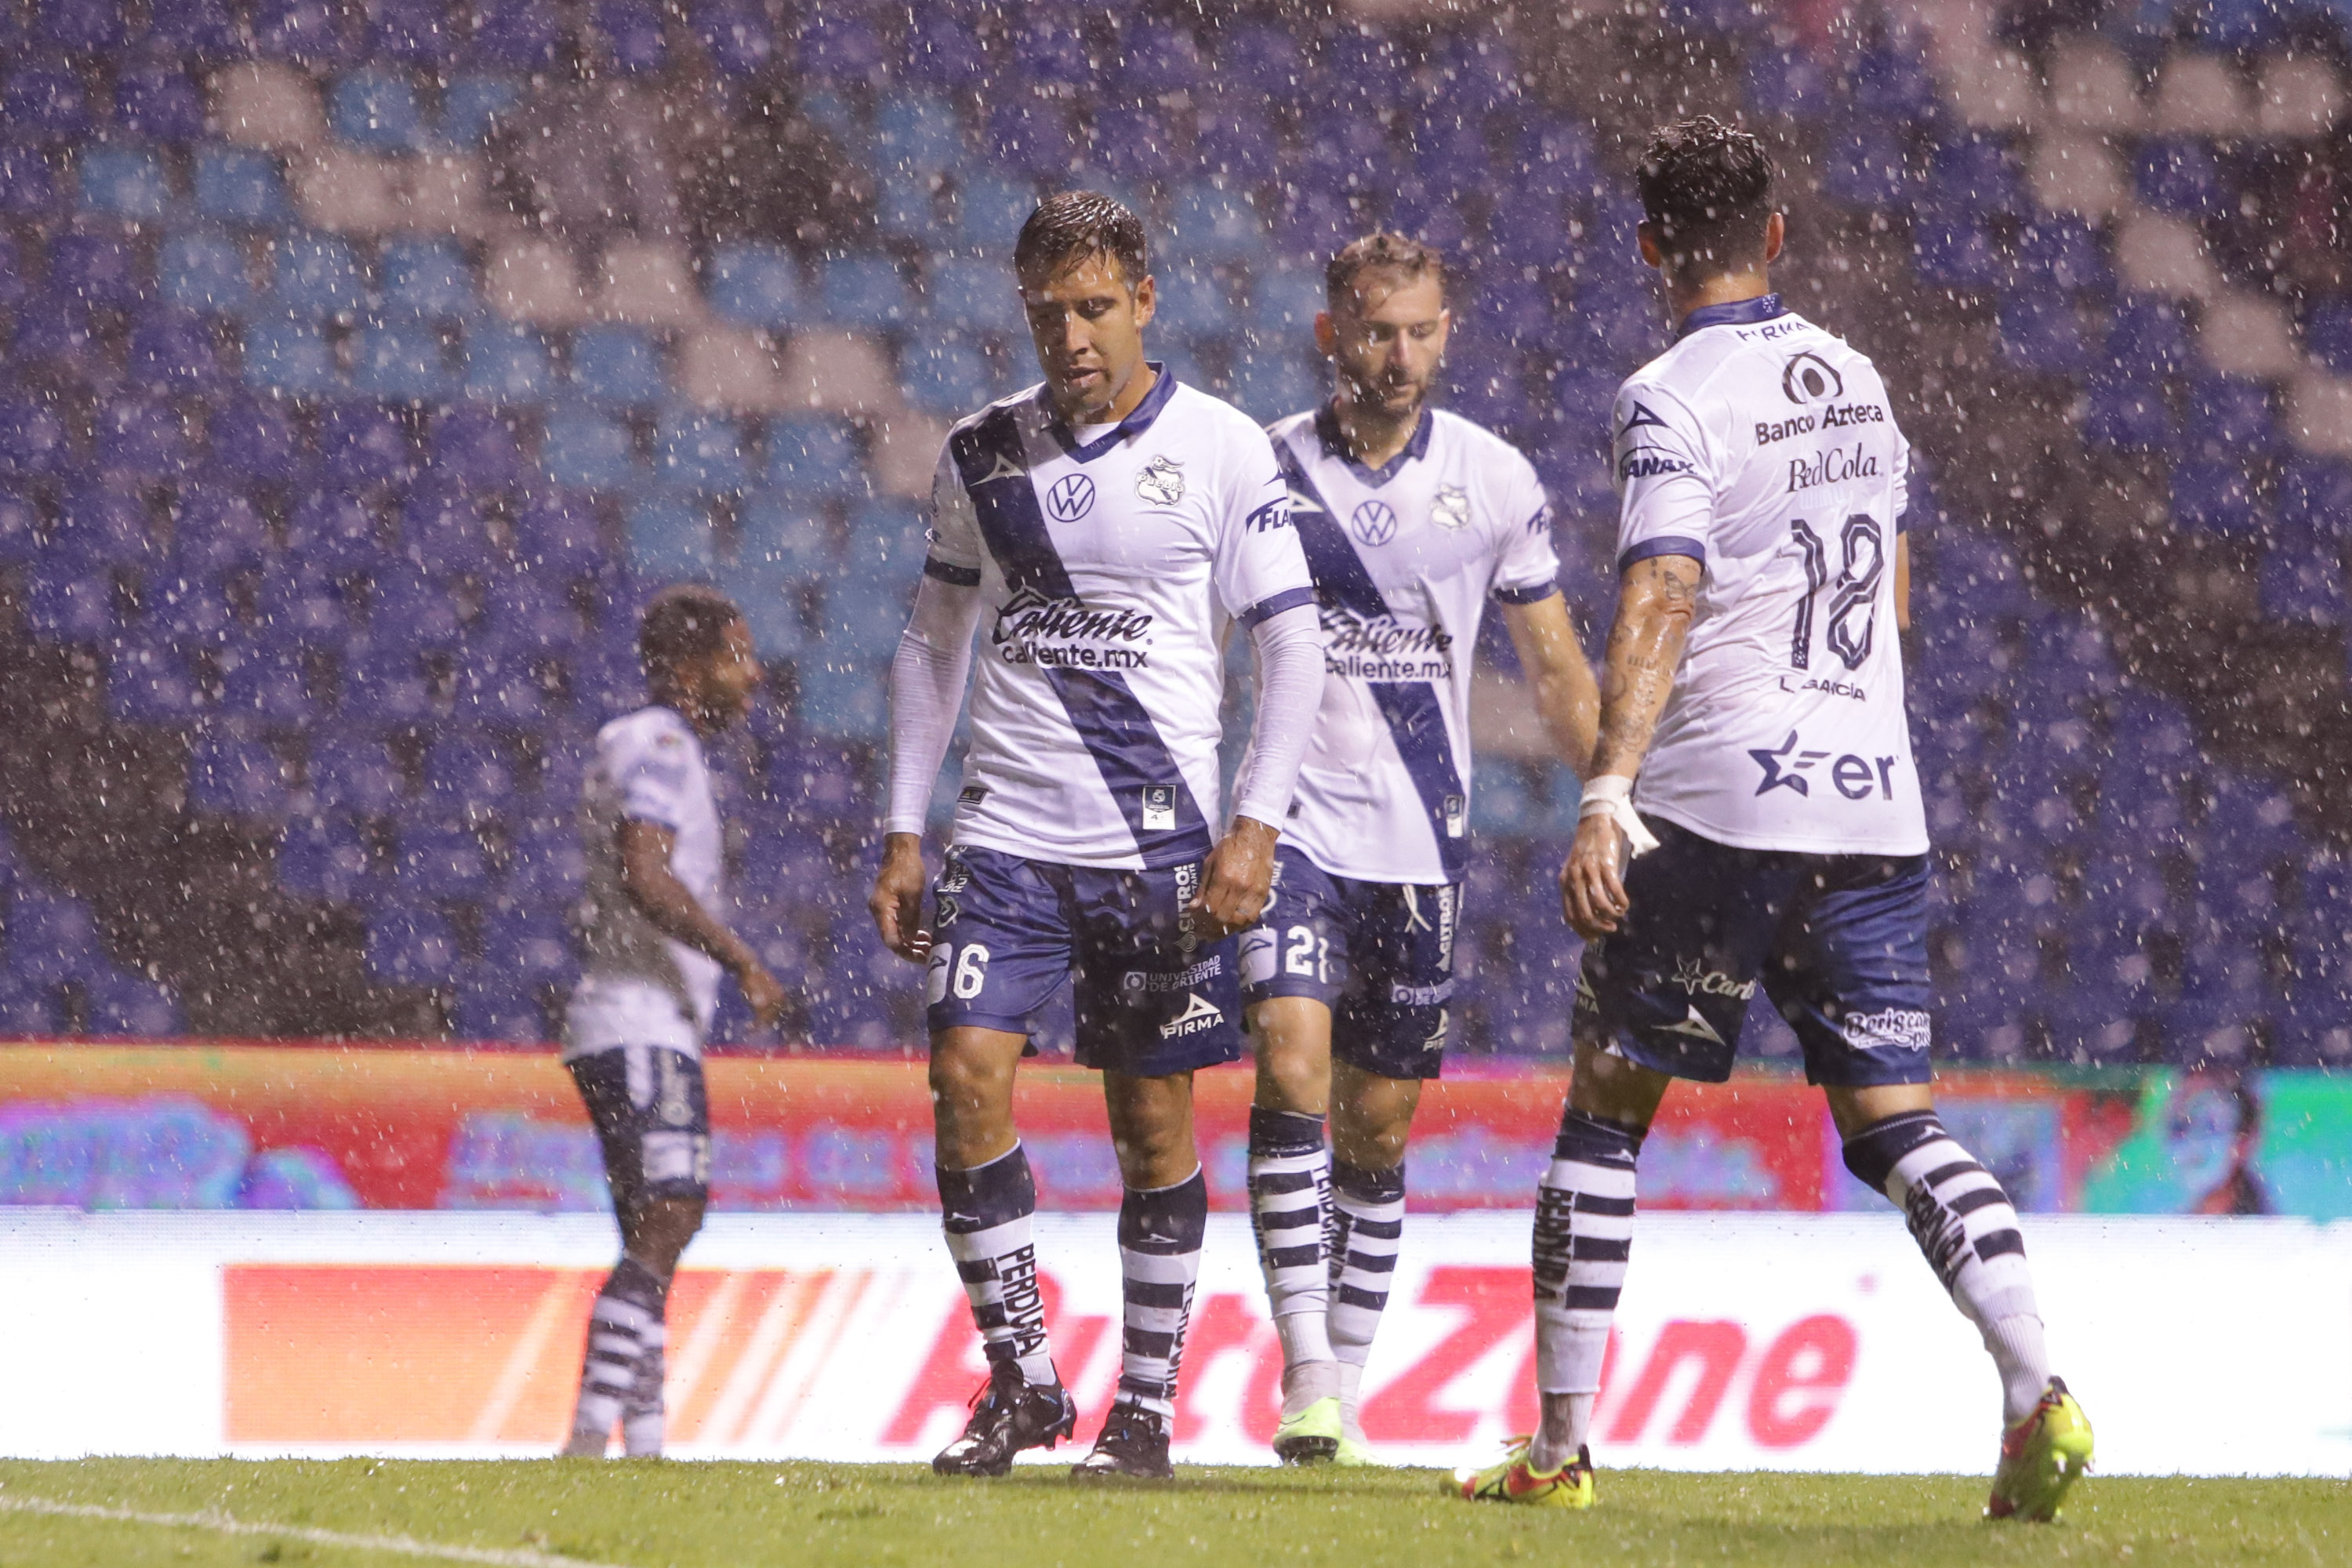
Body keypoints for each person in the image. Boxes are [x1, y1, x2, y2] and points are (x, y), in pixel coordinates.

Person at [1454, 118, 2094, 1519]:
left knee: (1608, 1109)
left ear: (1646, 251)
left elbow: (1665, 589)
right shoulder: (1857, 378)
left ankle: (1558, 1453)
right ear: (1778, 234)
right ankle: (2036, 1384)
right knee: (1897, 1125)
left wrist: (1611, 792)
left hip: (1723, 797)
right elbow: (1897, 596)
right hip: (1870, 795)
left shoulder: (1666, 396)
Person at [869, 191, 1324, 1483]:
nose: (1070, 333)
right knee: (963, 1081)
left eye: (1094, 306)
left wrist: (1257, 823)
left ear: (1144, 300)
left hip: (1160, 852)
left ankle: (1143, 1410)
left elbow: (1293, 644)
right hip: (1006, 836)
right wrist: (905, 826)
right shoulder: (982, 454)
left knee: (1153, 1127)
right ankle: (1022, 1381)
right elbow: (930, 641)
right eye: (1046, 309)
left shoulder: (1229, 451)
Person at [1241, 233, 1601, 1467]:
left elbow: (1553, 668)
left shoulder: (1497, 480)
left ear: (1447, 335)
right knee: (1291, 1065)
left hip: (1418, 848)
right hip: (1290, 826)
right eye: (1374, 330)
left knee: (1379, 1129)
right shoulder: (1264, 469)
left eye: (1419, 332)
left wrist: (1612, 799)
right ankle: (1306, 1374)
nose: (1397, 356)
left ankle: (1345, 1379)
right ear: (1331, 330)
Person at [558, 584, 786, 1458]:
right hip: (640, 1018)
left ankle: (645, 1440)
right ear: (691, 670)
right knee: (672, 1212)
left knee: (652, 1228)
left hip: (633, 1019)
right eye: (737, 655)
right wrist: (743, 958)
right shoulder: (659, 744)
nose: (754, 675)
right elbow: (644, 872)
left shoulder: (645, 745)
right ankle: (584, 1437)